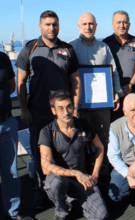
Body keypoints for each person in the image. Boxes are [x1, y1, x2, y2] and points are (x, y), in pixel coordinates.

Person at [16, 10, 81, 209]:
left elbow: (76, 80)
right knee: (39, 154)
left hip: (64, 114)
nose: (51, 28)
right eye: (47, 24)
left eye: (54, 24)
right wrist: (24, 109)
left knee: (65, 151)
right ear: (40, 27)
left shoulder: (68, 49)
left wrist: (75, 108)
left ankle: (67, 190)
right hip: (39, 111)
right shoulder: (30, 48)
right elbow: (20, 81)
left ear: (58, 25)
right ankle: (40, 193)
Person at [68, 12, 123, 185]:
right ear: (78, 26)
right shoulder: (71, 47)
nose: (88, 27)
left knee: (104, 139)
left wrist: (116, 92)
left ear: (96, 26)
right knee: (81, 141)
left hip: (102, 104)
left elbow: (113, 71)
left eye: (91, 24)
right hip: (80, 106)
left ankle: (104, 175)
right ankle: (83, 176)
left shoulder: (103, 47)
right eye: (84, 24)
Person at [38, 90, 108, 220]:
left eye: (69, 106)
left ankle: (74, 199)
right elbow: (45, 166)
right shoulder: (47, 132)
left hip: (83, 179)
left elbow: (100, 147)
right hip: (61, 178)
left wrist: (95, 174)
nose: (66, 112)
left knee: (101, 215)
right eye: (61, 108)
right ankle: (61, 213)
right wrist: (75, 173)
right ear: (53, 111)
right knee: (55, 183)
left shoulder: (83, 125)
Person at [0, 52, 32, 220]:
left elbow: (12, 85)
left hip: (6, 122)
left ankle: (12, 212)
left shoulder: (3, 58)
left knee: (11, 172)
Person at [103, 10, 135, 122]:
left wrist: (130, 85)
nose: (121, 25)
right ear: (112, 25)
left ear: (129, 25)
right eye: (118, 22)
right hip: (113, 93)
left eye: (125, 22)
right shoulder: (105, 43)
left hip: (133, 90)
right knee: (115, 125)